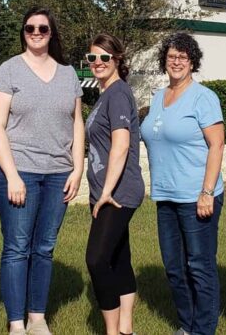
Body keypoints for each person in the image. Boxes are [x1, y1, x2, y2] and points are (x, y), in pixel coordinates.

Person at [0, 8, 85, 335]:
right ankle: (17, 323)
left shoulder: (69, 73)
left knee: (44, 247)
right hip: (19, 172)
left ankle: (37, 317)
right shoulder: (9, 70)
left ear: (52, 32)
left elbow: (76, 124)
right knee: (17, 247)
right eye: (30, 27)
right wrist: (12, 175)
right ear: (23, 32)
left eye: (43, 27)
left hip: (58, 173)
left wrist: (77, 168)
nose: (36, 32)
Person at [140, 33, 226, 335]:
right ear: (165, 59)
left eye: (183, 57)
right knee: (174, 268)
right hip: (166, 196)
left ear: (192, 62)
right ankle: (187, 325)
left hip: (197, 197)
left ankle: (203, 329)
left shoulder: (204, 97)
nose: (176, 61)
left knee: (199, 266)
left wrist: (206, 192)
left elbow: (216, 146)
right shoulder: (158, 97)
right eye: (172, 56)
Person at [82, 34, 144, 335]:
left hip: (118, 192)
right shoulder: (105, 94)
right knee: (119, 257)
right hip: (106, 191)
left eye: (104, 57)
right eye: (92, 58)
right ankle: (126, 328)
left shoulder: (118, 93)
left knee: (96, 259)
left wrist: (106, 192)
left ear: (117, 59)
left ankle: (111, 330)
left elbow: (121, 144)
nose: (97, 63)